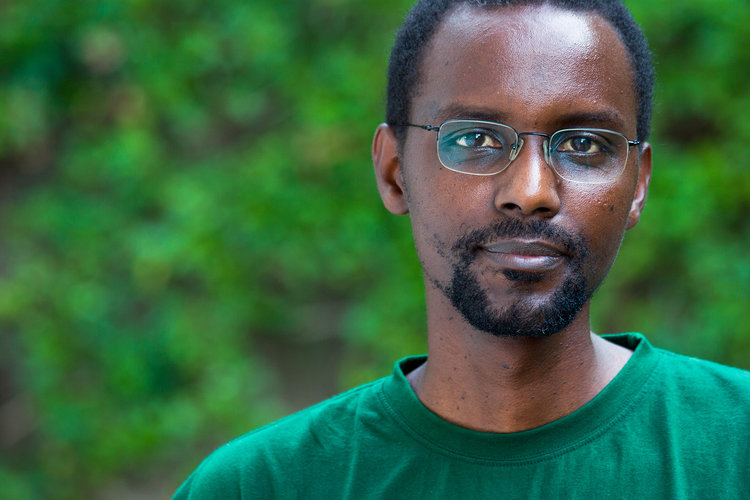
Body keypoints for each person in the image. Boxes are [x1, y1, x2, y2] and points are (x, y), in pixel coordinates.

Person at [174, 1, 750, 497]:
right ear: (394, 172)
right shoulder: (260, 486)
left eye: (583, 144)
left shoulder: (734, 447)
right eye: (474, 138)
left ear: (638, 185)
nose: (531, 191)